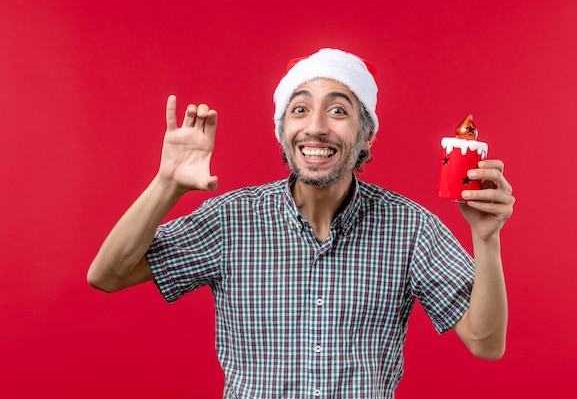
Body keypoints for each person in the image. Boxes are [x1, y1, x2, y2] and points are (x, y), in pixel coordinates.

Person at [88, 48, 515, 398]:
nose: (315, 127)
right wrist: (167, 184)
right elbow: (108, 275)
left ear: (366, 136)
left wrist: (486, 237)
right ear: (282, 131)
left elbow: (486, 342)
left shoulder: (410, 228)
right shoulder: (232, 220)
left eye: (337, 111)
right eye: (299, 109)